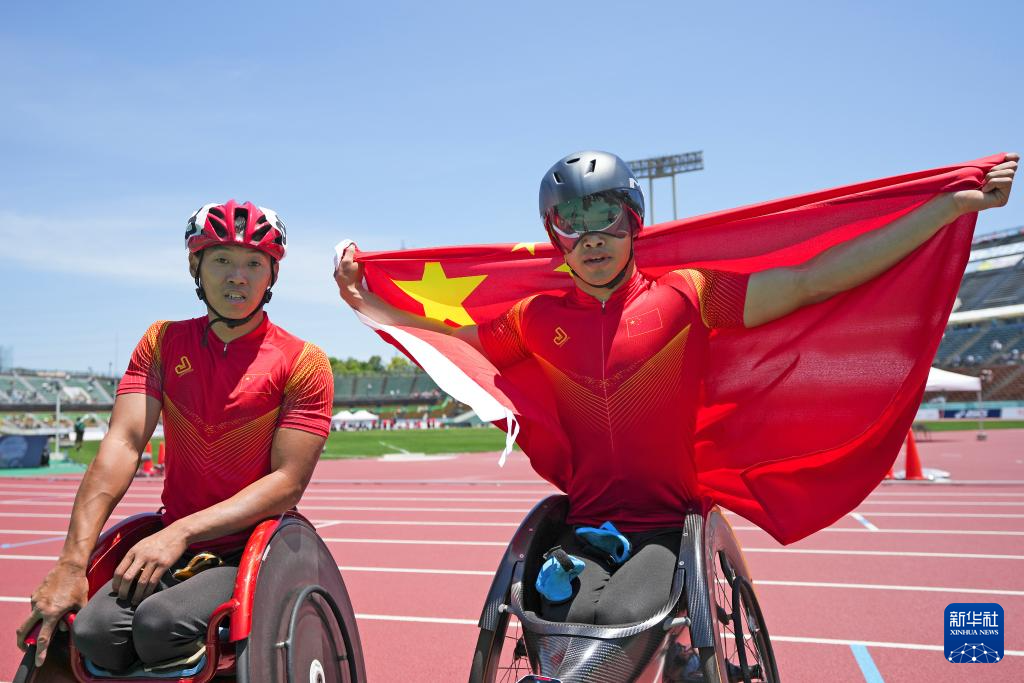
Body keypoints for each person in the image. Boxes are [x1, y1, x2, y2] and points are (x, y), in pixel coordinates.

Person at [334, 151, 1016, 626]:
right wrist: (368, 303)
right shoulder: (534, 319)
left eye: (606, 214)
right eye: (572, 221)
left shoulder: (686, 296)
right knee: (557, 619)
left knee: (615, 617)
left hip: (667, 524)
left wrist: (946, 209)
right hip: (582, 523)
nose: (591, 235)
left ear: (633, 219)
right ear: (555, 237)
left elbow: (812, 281)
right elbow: (454, 338)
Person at [16, 200, 334, 672]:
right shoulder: (161, 343)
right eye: (221, 260)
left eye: (254, 264)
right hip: (174, 541)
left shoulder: (304, 362)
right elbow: (122, 445)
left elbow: (287, 482)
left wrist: (180, 532)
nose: (238, 277)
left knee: (161, 624)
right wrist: (71, 564)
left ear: (273, 275)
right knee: (93, 633)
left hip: (249, 548)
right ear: (195, 267)